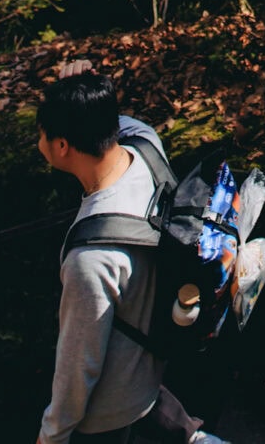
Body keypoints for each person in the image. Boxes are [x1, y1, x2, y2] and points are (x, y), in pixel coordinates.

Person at [36, 64, 227, 444]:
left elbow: (78, 365)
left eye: (42, 134)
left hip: (109, 410)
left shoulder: (91, 258)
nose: (38, 141)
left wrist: (51, 435)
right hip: (157, 365)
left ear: (61, 146)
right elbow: (116, 121)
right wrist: (83, 93)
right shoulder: (146, 146)